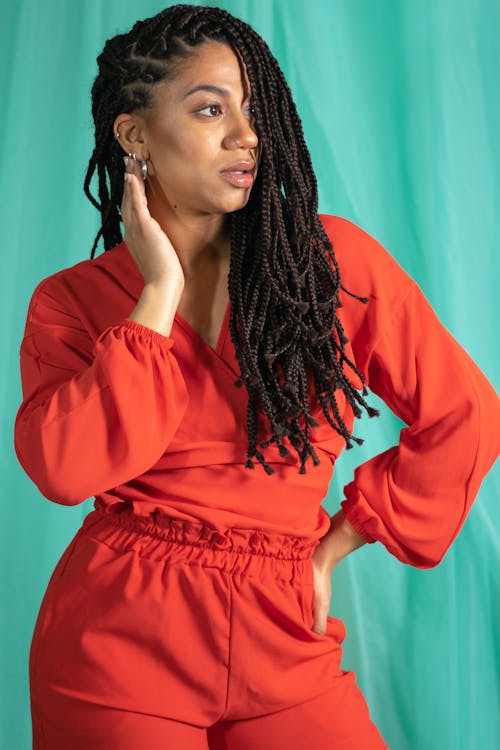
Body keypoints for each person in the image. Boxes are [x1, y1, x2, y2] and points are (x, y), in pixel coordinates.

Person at [14, 4, 499, 749]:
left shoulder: (330, 268)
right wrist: (157, 296)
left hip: (284, 627)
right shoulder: (71, 302)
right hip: (120, 642)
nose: (247, 136)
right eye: (211, 109)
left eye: (255, 110)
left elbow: (467, 412)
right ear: (134, 134)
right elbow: (65, 469)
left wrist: (338, 541)